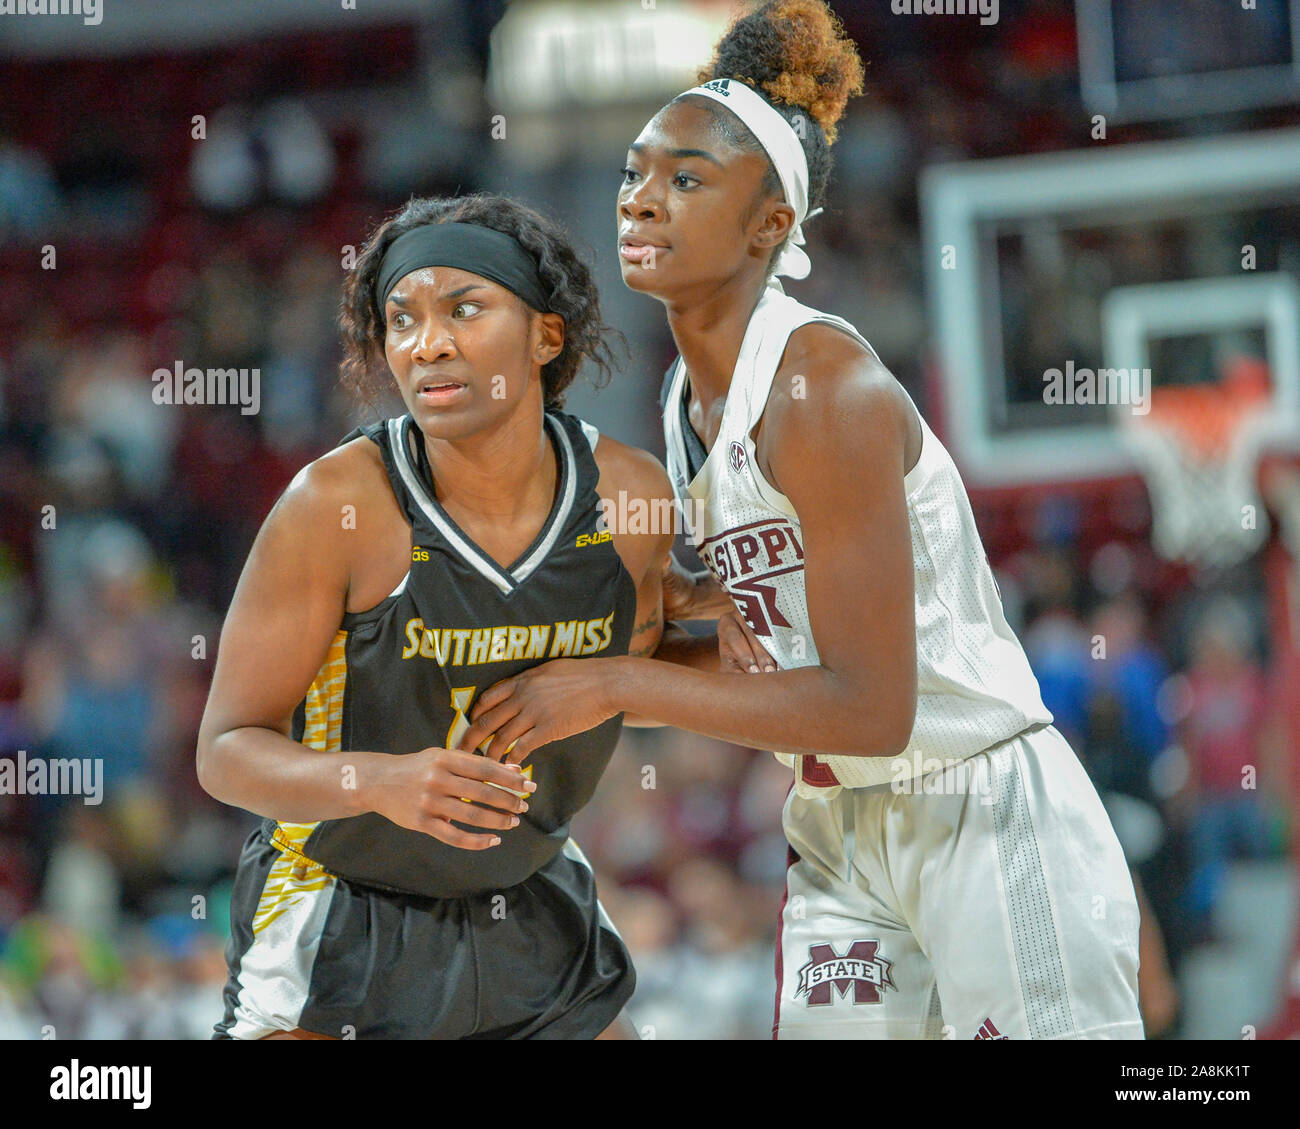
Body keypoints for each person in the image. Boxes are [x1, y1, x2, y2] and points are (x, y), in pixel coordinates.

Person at [460, 0, 1143, 1039]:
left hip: (975, 803)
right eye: (635, 171)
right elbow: (764, 671)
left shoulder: (821, 386)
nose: (642, 199)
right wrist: (578, 653)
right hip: (835, 818)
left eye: (686, 180)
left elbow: (870, 706)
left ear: (769, 223)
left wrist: (613, 679)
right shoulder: (685, 413)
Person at [197, 193, 677, 1039]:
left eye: (465, 306)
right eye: (401, 320)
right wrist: (381, 781)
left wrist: (746, 632)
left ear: (545, 335)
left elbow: (638, 672)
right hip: (341, 909)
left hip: (529, 896)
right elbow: (226, 753)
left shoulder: (631, 496)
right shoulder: (337, 505)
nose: (428, 343)